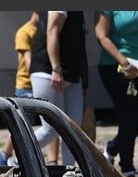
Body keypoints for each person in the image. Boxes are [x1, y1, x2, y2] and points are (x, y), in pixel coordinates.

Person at [94, 10, 138, 177]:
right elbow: (101, 36)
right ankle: (128, 172)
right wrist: (124, 62)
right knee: (129, 116)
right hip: (114, 66)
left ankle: (110, 151)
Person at [28, 11, 89, 166]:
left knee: (74, 131)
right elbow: (52, 31)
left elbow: (79, 45)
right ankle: (16, 159)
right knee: (52, 129)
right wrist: (56, 68)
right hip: (48, 72)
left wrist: (84, 80)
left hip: (72, 75)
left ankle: (69, 174)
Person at [0, 11, 57, 167]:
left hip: (45, 83)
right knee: (21, 127)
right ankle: (5, 155)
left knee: (52, 124)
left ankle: (52, 161)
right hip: (26, 86)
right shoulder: (24, 32)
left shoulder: (49, 28)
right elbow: (30, 63)